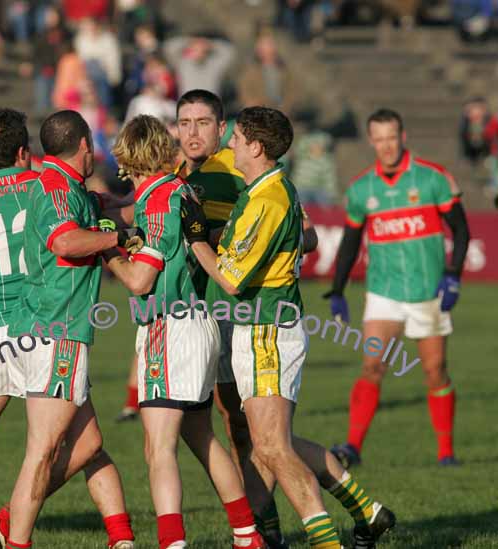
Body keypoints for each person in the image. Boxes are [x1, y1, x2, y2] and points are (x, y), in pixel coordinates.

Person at [0, 108, 134, 549]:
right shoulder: (48, 187)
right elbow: (77, 221)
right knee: (68, 445)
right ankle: (13, 526)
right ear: (26, 151)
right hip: (46, 324)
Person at [182, 106, 346, 548]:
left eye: (235, 137)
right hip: (262, 329)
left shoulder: (267, 200)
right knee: (270, 445)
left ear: (255, 146)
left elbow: (232, 279)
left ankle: (327, 539)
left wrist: (195, 238)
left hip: (266, 330)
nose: (229, 143)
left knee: (272, 448)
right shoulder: (262, 193)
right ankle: (329, 527)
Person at [105, 114, 265, 549]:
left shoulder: (157, 200)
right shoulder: (179, 190)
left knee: (157, 448)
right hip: (197, 322)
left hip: (168, 327)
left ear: (127, 157)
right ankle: (248, 536)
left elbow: (141, 280)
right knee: (202, 436)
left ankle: (171, 543)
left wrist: (109, 253)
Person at [3, 110, 137, 549]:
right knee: (42, 452)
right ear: (84, 145)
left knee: (90, 443)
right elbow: (65, 241)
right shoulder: (60, 189)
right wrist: (117, 240)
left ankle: (121, 539)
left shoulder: (70, 188)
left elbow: (115, 210)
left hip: (53, 329)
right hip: (55, 331)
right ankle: (12, 535)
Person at [326, 108, 470, 468]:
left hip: (427, 292)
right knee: (372, 364)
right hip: (383, 293)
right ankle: (353, 446)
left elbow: (462, 230)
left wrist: (452, 275)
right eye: (380, 139)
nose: (387, 146)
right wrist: (338, 289)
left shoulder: (433, 178)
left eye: (392, 137)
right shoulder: (362, 189)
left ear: (403, 137)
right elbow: (350, 241)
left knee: (434, 370)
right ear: (371, 141)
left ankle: (446, 452)